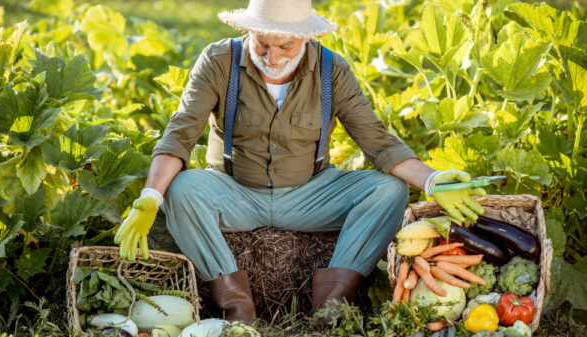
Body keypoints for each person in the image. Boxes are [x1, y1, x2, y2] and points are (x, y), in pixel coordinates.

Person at [114, 0, 486, 323]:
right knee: (183, 188)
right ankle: (236, 307)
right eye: (262, 43)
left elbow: (378, 142)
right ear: (250, 31)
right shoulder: (219, 61)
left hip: (311, 194)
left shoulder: (332, 70)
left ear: (307, 37)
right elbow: (179, 135)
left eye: (285, 45)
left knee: (388, 189)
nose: (272, 57)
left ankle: (332, 308)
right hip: (234, 192)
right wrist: (150, 197)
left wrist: (433, 181)